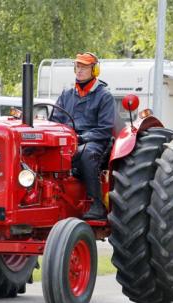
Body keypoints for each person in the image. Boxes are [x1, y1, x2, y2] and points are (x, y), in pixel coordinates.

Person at [53, 52, 115, 220]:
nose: (79, 71)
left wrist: (80, 138)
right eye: (77, 67)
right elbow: (55, 121)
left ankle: (96, 204)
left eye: (85, 67)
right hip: (68, 141)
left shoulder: (104, 96)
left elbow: (105, 129)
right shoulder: (66, 94)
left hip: (95, 142)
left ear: (95, 70)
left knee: (85, 153)